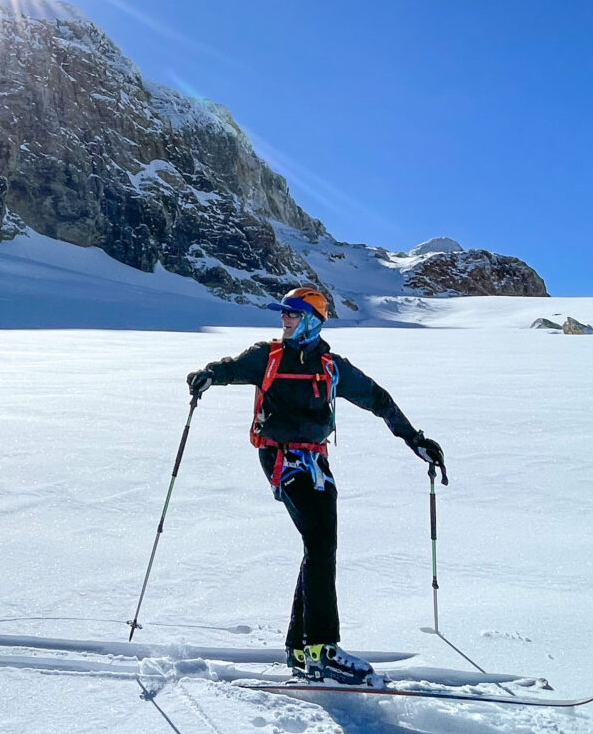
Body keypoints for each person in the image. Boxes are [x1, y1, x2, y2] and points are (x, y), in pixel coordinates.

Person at [187, 285, 446, 684]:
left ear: (311, 319)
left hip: (316, 462)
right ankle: (322, 649)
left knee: (319, 545)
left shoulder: (331, 365)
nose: (284, 318)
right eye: (283, 313)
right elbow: (228, 367)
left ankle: (298, 646)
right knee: (321, 543)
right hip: (280, 458)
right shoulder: (267, 355)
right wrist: (207, 376)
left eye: (291, 313)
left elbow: (378, 399)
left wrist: (415, 440)